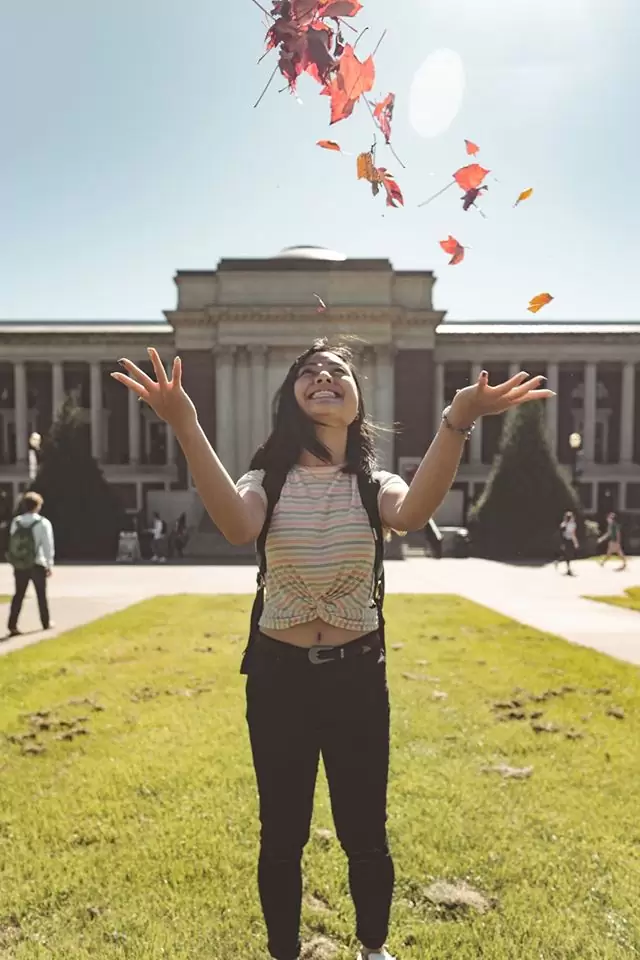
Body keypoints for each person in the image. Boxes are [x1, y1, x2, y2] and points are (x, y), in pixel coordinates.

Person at [112, 343, 551, 960]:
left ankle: (373, 949)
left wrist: (457, 418)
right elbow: (239, 527)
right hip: (277, 679)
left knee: (365, 833)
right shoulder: (265, 479)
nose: (323, 377)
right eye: (308, 372)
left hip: (356, 680)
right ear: (291, 395)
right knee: (282, 835)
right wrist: (185, 423)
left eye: (337, 371)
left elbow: (416, 510)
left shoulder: (378, 483)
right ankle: (284, 953)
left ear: (356, 399)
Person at [5, 491, 54, 638]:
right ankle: (45, 622)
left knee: (19, 594)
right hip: (37, 563)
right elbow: (47, 545)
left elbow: (13, 541)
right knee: (41, 595)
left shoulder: (17, 521)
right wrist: (49, 564)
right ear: (38, 506)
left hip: (20, 563)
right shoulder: (43, 523)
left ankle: (12, 625)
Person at [556, 510, 579, 576]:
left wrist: (575, 542)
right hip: (565, 540)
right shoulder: (563, 525)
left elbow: (573, 534)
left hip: (570, 540)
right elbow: (561, 534)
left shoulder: (573, 524)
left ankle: (560, 561)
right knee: (567, 554)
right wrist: (562, 543)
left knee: (569, 554)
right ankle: (568, 569)